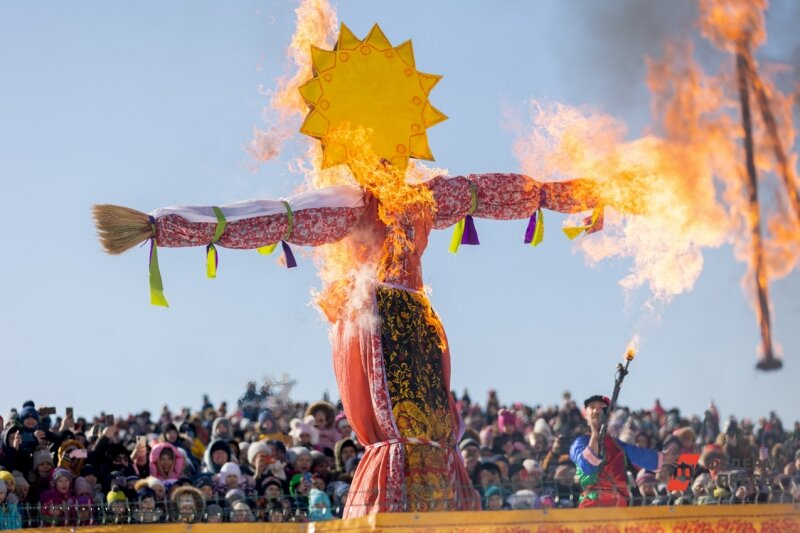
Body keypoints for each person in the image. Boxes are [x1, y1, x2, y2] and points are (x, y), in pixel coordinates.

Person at [570, 395, 678, 507]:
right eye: (592, 407)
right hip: (592, 505)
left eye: (601, 407)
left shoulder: (616, 444)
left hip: (618, 506)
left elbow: (638, 455)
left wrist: (662, 458)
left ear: (608, 417)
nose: (597, 410)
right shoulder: (579, 443)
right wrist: (595, 434)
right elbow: (587, 466)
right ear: (585, 415)